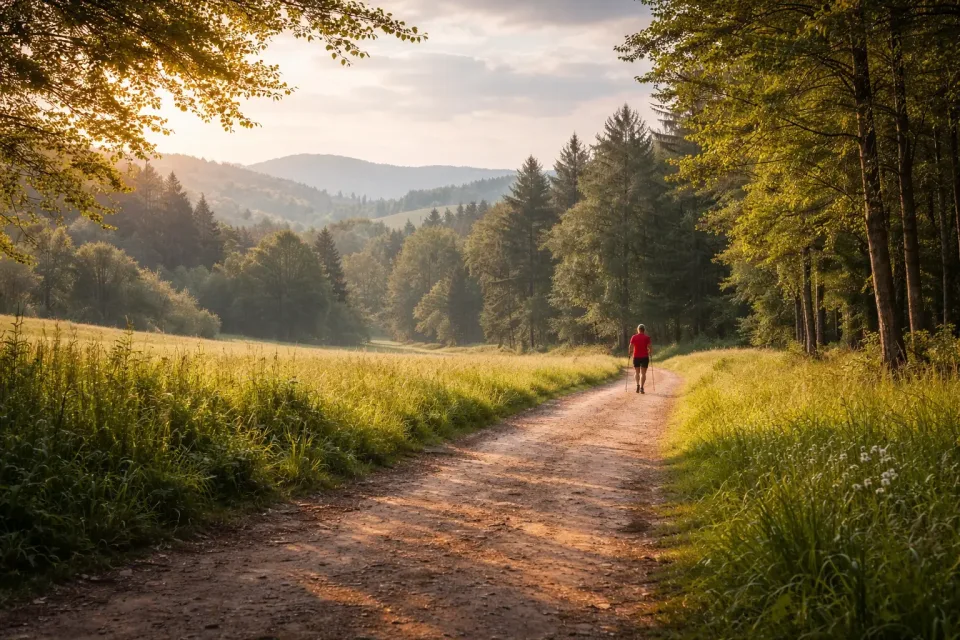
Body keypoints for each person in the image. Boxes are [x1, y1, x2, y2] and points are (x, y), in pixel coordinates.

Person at [629, 324, 653, 394]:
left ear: (638, 329)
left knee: (637, 372)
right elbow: (650, 346)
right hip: (645, 357)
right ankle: (642, 388)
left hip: (636, 357)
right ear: (644, 330)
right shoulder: (647, 337)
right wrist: (650, 353)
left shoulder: (634, 337)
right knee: (643, 373)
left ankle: (637, 385)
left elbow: (631, 346)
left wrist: (630, 353)